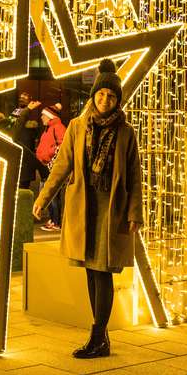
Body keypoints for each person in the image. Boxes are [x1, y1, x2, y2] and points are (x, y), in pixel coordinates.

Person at [32, 59, 143, 359]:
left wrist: (135, 213)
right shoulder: (78, 127)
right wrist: (43, 198)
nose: (105, 100)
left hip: (112, 207)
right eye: (101, 94)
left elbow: (134, 174)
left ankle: (98, 337)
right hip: (84, 204)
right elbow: (62, 165)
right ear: (94, 96)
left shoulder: (126, 131)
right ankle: (101, 336)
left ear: (118, 100)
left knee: (103, 271)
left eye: (112, 96)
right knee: (90, 273)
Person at [35, 104, 66, 231]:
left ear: (49, 116)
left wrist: (50, 153)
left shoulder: (57, 127)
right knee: (48, 194)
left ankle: (56, 222)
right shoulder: (49, 128)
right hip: (46, 165)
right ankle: (53, 220)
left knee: (52, 195)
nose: (41, 117)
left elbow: (63, 145)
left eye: (43, 115)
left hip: (52, 166)